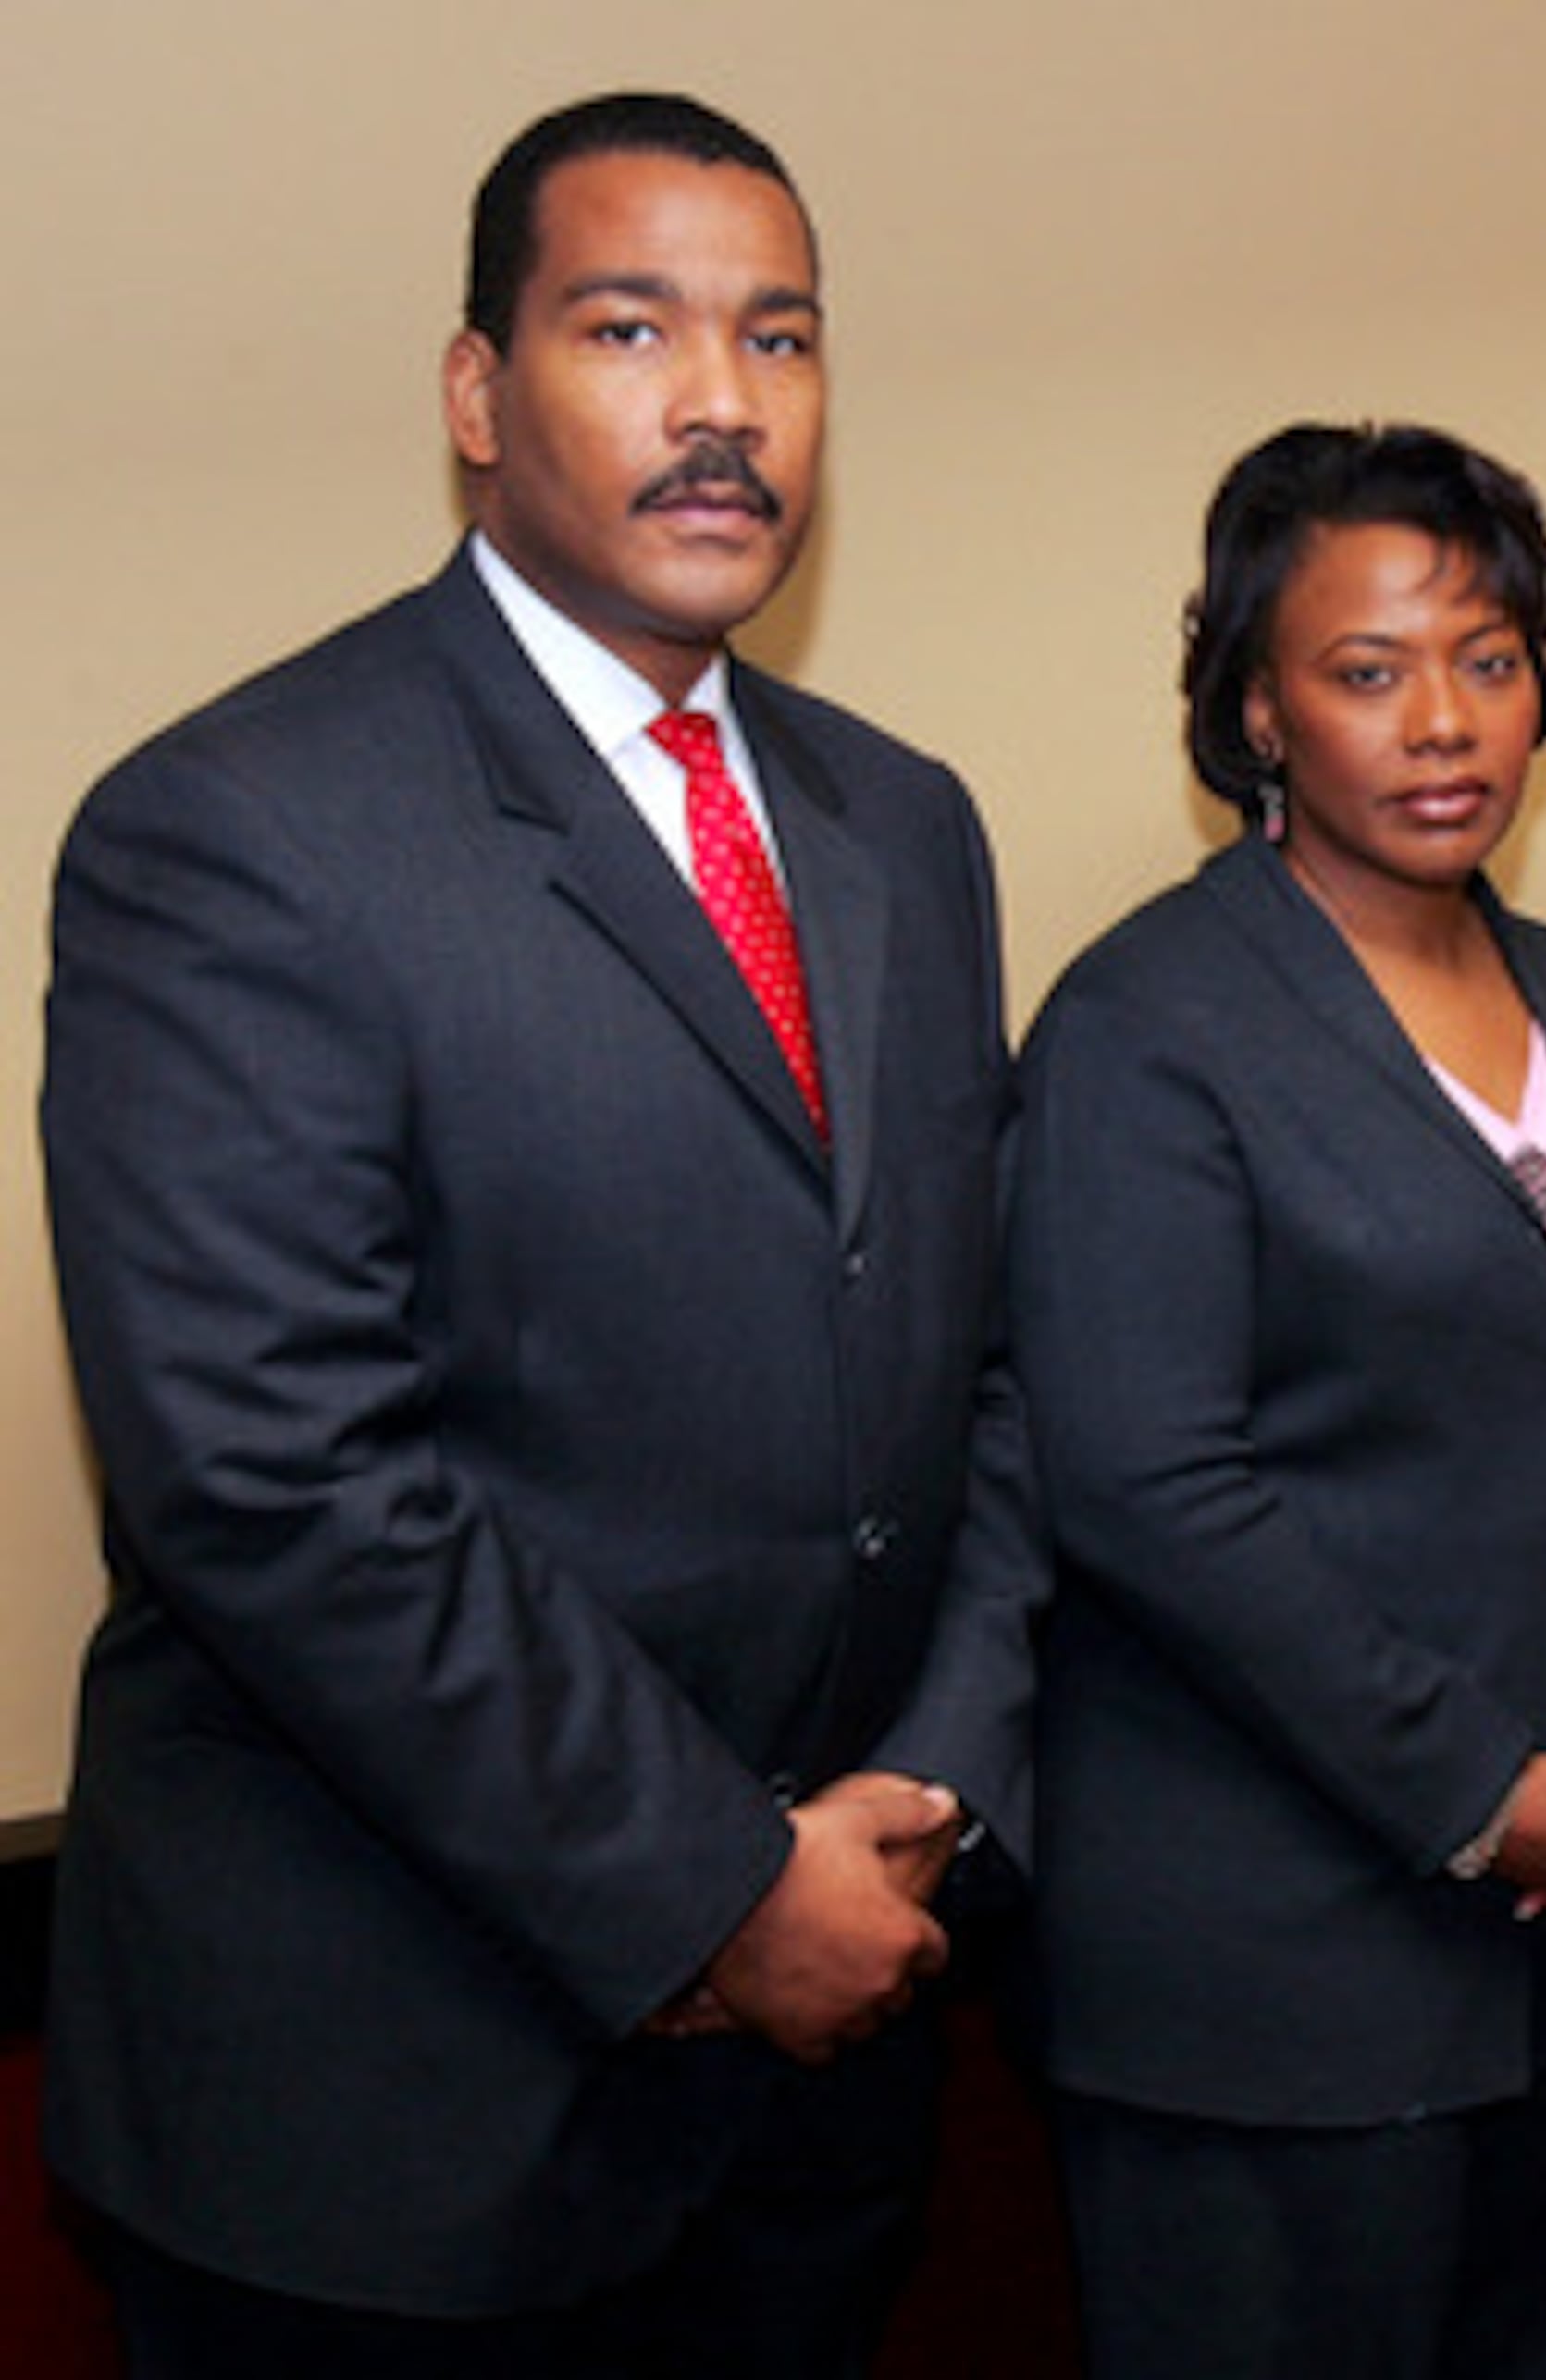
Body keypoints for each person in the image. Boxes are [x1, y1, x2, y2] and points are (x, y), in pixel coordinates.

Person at [36, 92, 1042, 2378]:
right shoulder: (240, 831)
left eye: (779, 341)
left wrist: (930, 1799)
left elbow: (979, 1368)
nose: (721, 405)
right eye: (630, 327)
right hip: (387, 2126)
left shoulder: (900, 822)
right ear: (480, 393)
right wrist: (714, 1884)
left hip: (813, 2100)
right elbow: (274, 1482)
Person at [1008, 422, 1546, 2378]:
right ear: (1254, 709)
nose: (1442, 722)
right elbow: (1152, 1487)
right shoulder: (1147, 1026)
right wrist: (1484, 1790)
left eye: (1489, 661)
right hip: (1264, 1986)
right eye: (1368, 669)